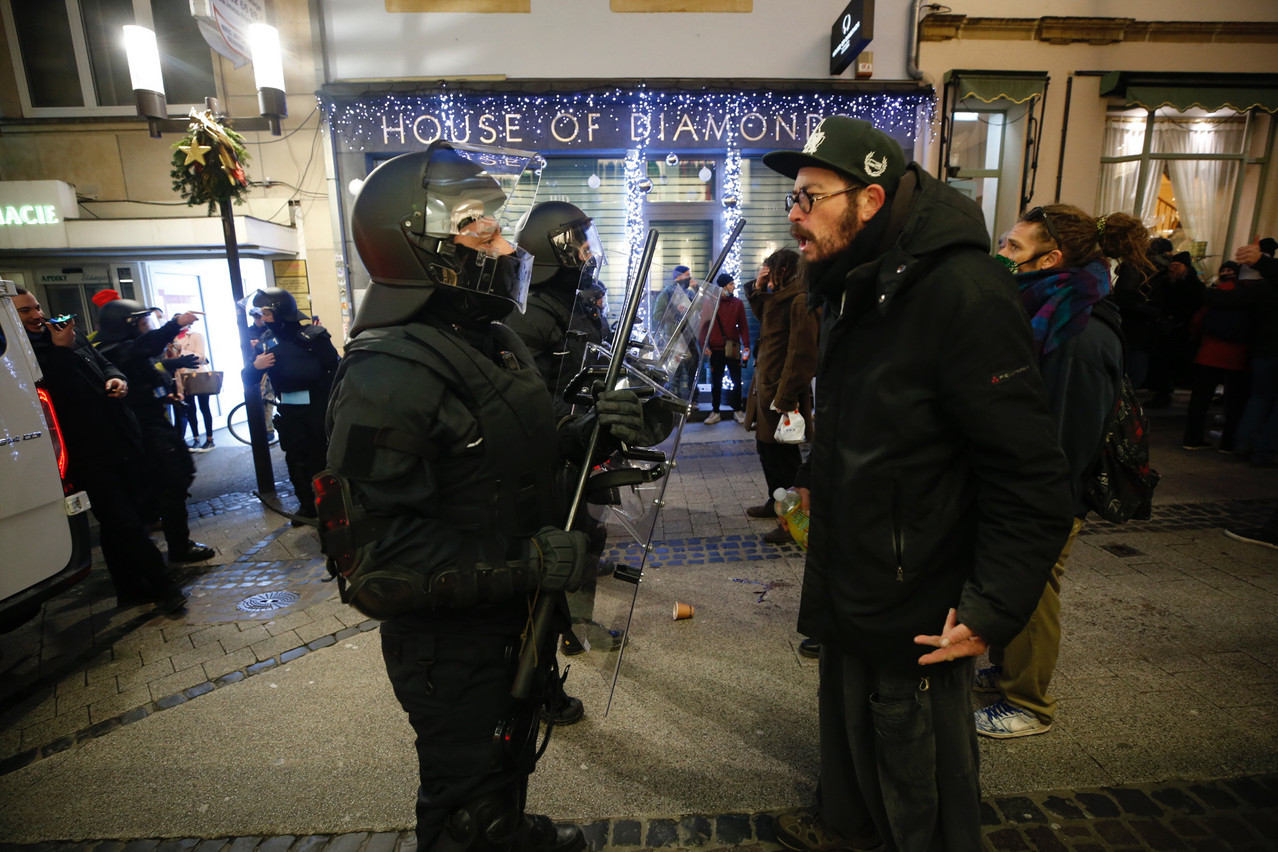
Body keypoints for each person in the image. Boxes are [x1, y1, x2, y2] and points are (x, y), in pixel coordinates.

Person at [325, 142, 665, 852]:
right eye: (483, 228)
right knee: (464, 810)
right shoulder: (387, 374)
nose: (509, 247)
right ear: (424, 245)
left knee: (504, 772)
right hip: (451, 645)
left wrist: (586, 433)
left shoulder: (490, 338)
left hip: (509, 621)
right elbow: (376, 566)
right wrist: (530, 561)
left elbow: (511, 454)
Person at [763, 116, 1074, 852]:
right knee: (847, 710)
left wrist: (992, 605)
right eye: (792, 198)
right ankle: (847, 822)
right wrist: (814, 479)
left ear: (869, 200)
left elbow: (1028, 469)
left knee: (915, 755)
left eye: (810, 196)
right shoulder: (852, 281)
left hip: (918, 579)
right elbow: (862, 412)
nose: (794, 214)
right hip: (856, 557)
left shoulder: (961, 291)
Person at [976, 203, 1150, 739]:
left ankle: (1027, 701)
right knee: (1010, 584)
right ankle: (1007, 669)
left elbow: (1069, 437)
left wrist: (1037, 504)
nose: (1001, 254)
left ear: (1050, 258)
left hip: (1046, 496)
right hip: (1017, 484)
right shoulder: (1043, 310)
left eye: (1012, 247)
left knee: (1031, 590)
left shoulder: (1079, 333)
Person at [13, 289, 187, 609]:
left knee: (123, 519)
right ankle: (163, 586)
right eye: (25, 312)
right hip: (86, 451)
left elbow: (105, 364)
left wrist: (117, 379)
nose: (37, 315)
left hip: (120, 436)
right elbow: (60, 396)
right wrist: (62, 351)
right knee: (124, 521)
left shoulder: (68, 334)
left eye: (37, 306)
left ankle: (130, 589)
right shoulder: (22, 355)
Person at [94, 299, 215, 565]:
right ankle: (177, 547)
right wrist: (176, 324)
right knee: (173, 481)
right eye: (143, 322)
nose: (148, 327)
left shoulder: (123, 350)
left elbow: (146, 375)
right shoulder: (116, 350)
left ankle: (150, 546)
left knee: (163, 484)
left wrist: (163, 394)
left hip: (151, 422)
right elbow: (146, 347)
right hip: (145, 431)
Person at [742, 248, 818, 546]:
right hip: (768, 392)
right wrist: (758, 288)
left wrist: (785, 398)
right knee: (767, 453)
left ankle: (791, 524)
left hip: (780, 397)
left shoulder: (799, 300)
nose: (764, 272)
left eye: (769, 268)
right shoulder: (781, 298)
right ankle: (775, 503)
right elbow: (767, 319)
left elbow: (803, 354)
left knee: (784, 461)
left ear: (782, 270)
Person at [244, 287, 338, 521]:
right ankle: (306, 506)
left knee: (322, 458)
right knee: (295, 459)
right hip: (289, 409)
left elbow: (336, 370)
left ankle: (330, 507)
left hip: (317, 407)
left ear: (281, 311)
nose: (263, 319)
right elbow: (248, 378)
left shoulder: (314, 337)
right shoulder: (265, 342)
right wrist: (256, 366)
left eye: (266, 313)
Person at [1181, 261, 1252, 452]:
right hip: (1238, 355)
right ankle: (1228, 443)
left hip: (1209, 351)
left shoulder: (1219, 291)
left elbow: (1198, 320)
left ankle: (1192, 439)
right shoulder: (1254, 296)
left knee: (1200, 399)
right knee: (1234, 403)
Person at [1226, 239, 1278, 465]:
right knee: (1265, 399)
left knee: (1260, 397)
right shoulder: (1267, 286)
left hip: (1264, 348)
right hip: (1268, 348)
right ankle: (1264, 451)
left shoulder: (1265, 289)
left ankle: (1245, 443)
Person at [700, 272, 750, 425]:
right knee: (716, 381)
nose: (734, 287)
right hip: (716, 349)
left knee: (736, 380)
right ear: (722, 287)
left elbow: (743, 326)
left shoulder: (737, 303)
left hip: (733, 348)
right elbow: (703, 325)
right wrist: (704, 345)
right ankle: (715, 411)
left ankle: (738, 410)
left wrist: (746, 345)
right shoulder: (710, 303)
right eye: (731, 284)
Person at [173, 320, 216, 452]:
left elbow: (201, 357)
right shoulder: (172, 338)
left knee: (204, 407)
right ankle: (196, 438)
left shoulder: (195, 335)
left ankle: (209, 439)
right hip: (182, 377)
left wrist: (182, 352)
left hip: (198, 376)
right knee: (190, 409)